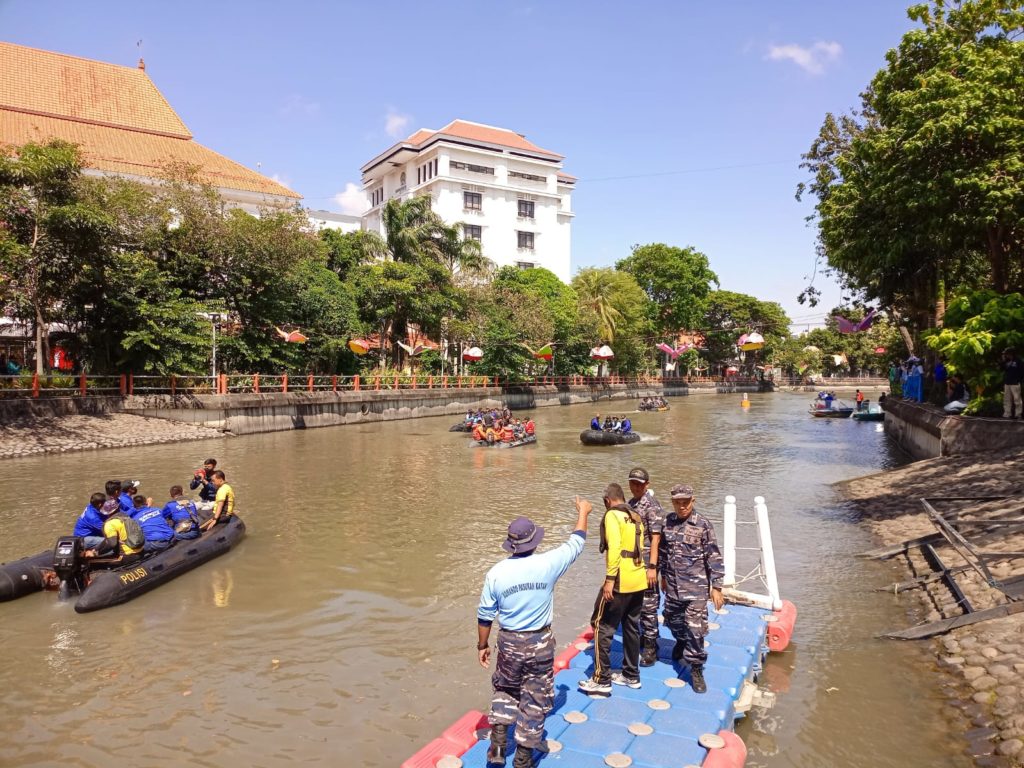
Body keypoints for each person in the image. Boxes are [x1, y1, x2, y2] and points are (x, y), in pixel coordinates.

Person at [477, 498, 593, 768]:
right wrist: (583, 512)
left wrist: (482, 645)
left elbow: (485, 615)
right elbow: (576, 542)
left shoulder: (496, 573)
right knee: (534, 696)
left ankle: (497, 745)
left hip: (508, 642)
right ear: (534, 542)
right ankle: (523, 757)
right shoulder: (548, 564)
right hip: (539, 642)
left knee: (505, 689)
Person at [580, 483, 646, 696]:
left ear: (607, 500)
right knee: (631, 627)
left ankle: (601, 679)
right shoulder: (634, 515)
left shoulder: (612, 516)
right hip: (638, 579)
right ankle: (631, 675)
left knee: (601, 625)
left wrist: (610, 579)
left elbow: (615, 546)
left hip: (620, 580)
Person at [658, 484, 724, 694]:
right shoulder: (667, 523)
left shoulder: (703, 524)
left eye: (685, 502)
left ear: (692, 501)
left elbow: (713, 555)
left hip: (696, 588)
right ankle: (681, 640)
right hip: (673, 586)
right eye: (677, 502)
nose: (681, 506)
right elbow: (662, 552)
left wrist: (717, 587)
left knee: (695, 629)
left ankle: (696, 668)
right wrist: (662, 575)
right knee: (671, 620)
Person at [626, 468, 665, 666]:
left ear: (647, 485)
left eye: (640, 484)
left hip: (648, 561)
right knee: (636, 604)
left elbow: (656, 539)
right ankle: (642, 637)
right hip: (633, 562)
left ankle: (651, 646)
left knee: (649, 606)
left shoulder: (652, 507)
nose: (636, 487)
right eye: (633, 483)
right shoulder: (630, 504)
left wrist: (652, 567)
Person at [83, 499, 144, 566]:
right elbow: (107, 541)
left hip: (126, 557)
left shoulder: (110, 524)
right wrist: (95, 550)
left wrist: (95, 553)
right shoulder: (127, 518)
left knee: (91, 564)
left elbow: (112, 544)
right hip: (140, 552)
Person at [1002, 348, 1022, 419]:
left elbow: (1021, 371)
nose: (1006, 355)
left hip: (1015, 383)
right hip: (1007, 382)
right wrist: (1003, 360)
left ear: (1011, 354)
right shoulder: (1006, 361)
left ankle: (1018, 414)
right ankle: (1007, 413)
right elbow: (1002, 369)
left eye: (1007, 354)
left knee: (1017, 399)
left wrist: (1018, 380)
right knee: (1007, 399)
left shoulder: (1018, 361)